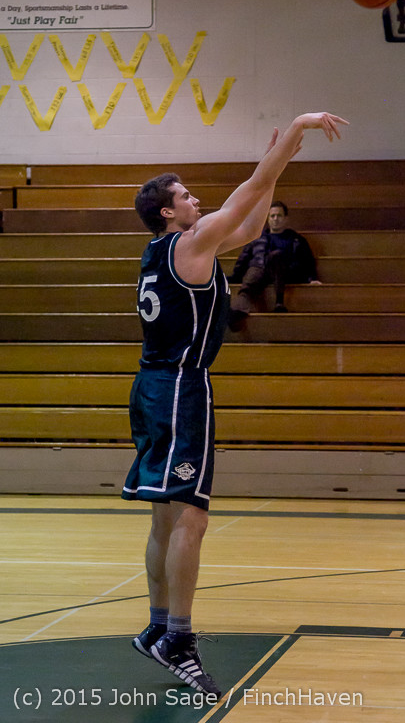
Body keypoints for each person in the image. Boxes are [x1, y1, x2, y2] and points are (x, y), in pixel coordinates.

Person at [121, 111, 349, 697]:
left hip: (153, 386)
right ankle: (178, 636)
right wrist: (293, 134)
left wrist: (277, 168)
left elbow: (247, 226)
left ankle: (156, 627)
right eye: (185, 195)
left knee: (166, 514)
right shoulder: (191, 244)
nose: (195, 199)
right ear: (168, 212)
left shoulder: (166, 252)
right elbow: (246, 195)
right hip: (179, 388)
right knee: (191, 516)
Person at [228, 200, 321, 328]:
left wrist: (312, 278)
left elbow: (307, 261)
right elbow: (244, 259)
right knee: (254, 272)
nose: (276, 219)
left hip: (286, 273)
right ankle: (237, 312)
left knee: (276, 256)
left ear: (286, 219)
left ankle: (279, 302)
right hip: (260, 272)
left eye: (279, 216)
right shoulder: (257, 238)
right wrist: (234, 277)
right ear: (268, 218)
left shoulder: (296, 239)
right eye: (272, 216)